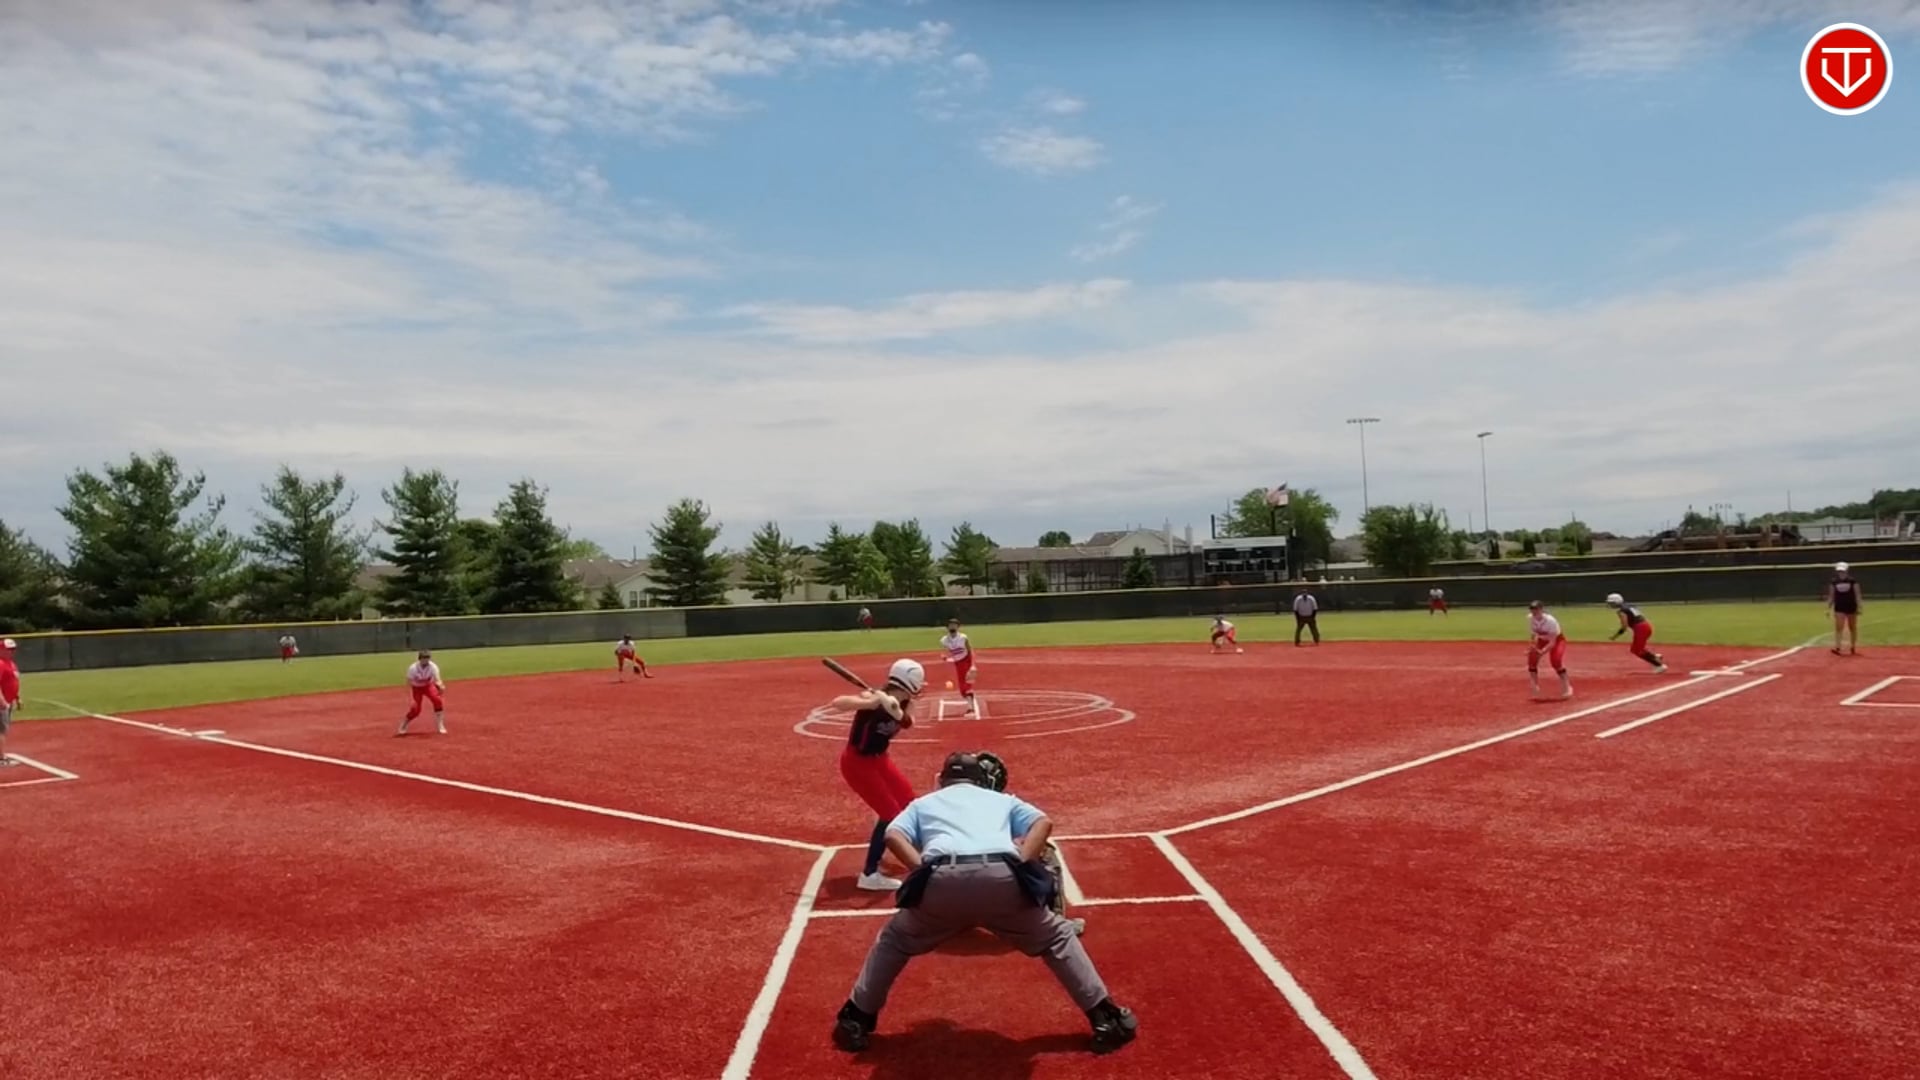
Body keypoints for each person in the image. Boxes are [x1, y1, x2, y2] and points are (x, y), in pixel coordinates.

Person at [832, 750, 1137, 1056]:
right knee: (1057, 937)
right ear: (980, 780)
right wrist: (1022, 862)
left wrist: (922, 869)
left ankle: (856, 1017)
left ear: (943, 780)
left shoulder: (923, 803)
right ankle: (1105, 1016)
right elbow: (1043, 823)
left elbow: (893, 835)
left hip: (943, 881)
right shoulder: (1001, 799)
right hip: (1001, 879)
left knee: (894, 940)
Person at [833, 659, 926, 891]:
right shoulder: (872, 697)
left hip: (880, 760)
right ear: (912, 682)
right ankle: (869, 874)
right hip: (857, 763)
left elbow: (908, 722)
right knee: (889, 814)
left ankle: (919, 849)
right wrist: (872, 702)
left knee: (909, 803)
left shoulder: (907, 703)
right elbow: (838, 703)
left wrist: (895, 710)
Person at [974, 751, 1083, 936]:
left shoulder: (941, 801)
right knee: (1045, 851)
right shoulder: (1005, 803)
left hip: (949, 887)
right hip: (993, 882)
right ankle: (1056, 922)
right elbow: (1043, 825)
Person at [1605, 593, 1666, 672]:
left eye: (1612, 603)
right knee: (1637, 648)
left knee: (1637, 650)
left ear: (1617, 602)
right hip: (1645, 625)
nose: (1611, 605)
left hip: (1640, 629)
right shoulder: (1630, 606)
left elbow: (1624, 626)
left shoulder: (1622, 611)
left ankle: (1659, 666)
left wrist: (1615, 636)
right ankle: (1654, 657)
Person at [1527, 600, 1571, 700]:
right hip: (1542, 640)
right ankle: (1534, 687)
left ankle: (1567, 687)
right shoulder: (1530, 618)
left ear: (1541, 609)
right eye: (1532, 609)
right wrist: (1532, 646)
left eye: (1536, 609)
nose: (1534, 611)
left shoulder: (1550, 621)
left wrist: (1542, 651)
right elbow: (1533, 634)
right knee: (1532, 659)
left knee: (1556, 661)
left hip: (1557, 641)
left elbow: (1552, 642)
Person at [399, 650, 447, 736]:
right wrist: (410, 696)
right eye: (424, 658)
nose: (426, 660)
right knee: (415, 709)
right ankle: (404, 723)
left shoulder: (433, 666)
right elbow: (409, 682)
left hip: (428, 686)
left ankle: (440, 725)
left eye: (427, 658)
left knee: (437, 700)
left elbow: (437, 679)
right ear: (420, 659)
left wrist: (441, 685)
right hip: (416, 688)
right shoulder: (413, 668)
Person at [938, 618, 978, 716]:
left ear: (958, 627)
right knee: (962, 689)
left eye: (954, 625)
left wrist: (972, 665)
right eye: (951, 625)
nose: (952, 627)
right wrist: (945, 657)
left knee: (966, 685)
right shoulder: (944, 640)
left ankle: (971, 709)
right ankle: (970, 704)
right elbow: (949, 653)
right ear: (947, 627)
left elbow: (971, 651)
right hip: (958, 664)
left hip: (966, 661)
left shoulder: (963, 638)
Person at [1826, 561, 1862, 655]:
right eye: (1839, 571)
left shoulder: (1852, 581)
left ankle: (1853, 647)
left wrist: (1859, 607)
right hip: (1839, 607)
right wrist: (1828, 608)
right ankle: (1838, 647)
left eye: (1842, 571)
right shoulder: (1834, 582)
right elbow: (1831, 596)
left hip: (1851, 606)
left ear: (1846, 571)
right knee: (1839, 627)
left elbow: (1857, 594)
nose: (1841, 573)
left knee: (1852, 627)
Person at [0, 638, 20, 766]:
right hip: (2, 703)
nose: (11, 652)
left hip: (8, 701)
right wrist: (1, 701)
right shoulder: (1, 663)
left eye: (13, 649)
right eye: (8, 649)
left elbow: (13, 682)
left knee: (4, 729)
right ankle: (1, 758)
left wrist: (17, 697)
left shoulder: (11, 663)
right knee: (1, 730)